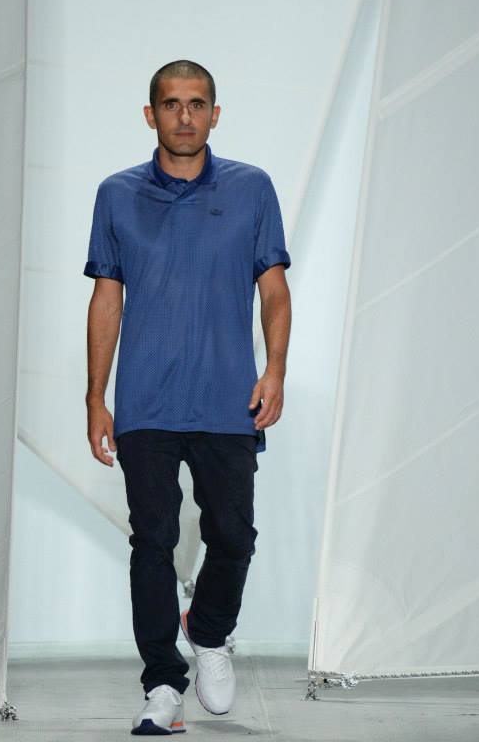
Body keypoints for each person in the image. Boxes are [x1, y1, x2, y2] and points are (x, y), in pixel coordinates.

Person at [83, 59, 292, 735]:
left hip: (229, 398)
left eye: (196, 103)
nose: (184, 115)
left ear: (214, 114)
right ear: (151, 114)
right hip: (145, 400)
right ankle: (162, 685)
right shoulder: (116, 194)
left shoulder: (251, 188)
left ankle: (207, 632)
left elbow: (274, 290)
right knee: (153, 540)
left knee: (233, 534)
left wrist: (275, 370)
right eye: (171, 104)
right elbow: (107, 298)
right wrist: (95, 398)